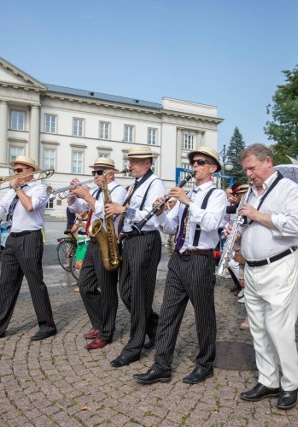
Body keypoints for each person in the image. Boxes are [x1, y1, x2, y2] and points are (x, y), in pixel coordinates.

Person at [133, 146, 226, 385]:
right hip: (178, 258)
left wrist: (188, 201)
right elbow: (170, 228)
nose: (195, 166)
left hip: (200, 259)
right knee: (168, 313)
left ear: (212, 168)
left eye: (201, 163)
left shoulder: (217, 195)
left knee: (204, 315)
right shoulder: (187, 196)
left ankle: (205, 364)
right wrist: (162, 212)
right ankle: (161, 366)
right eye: (193, 162)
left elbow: (211, 223)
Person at [227, 144, 298, 409]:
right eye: (246, 169)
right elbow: (254, 225)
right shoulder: (251, 191)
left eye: (252, 168)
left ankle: (290, 383)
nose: (249, 174)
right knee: (258, 328)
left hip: (279, 266)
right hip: (253, 268)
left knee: (279, 329)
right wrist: (239, 231)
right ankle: (268, 379)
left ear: (268, 161)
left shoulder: (289, 190)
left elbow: (295, 226)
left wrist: (256, 215)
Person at [0, 156, 57, 342]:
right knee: (6, 284)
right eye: (15, 170)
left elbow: (30, 206)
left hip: (30, 237)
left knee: (35, 283)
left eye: (19, 170)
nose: (15, 174)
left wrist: (18, 188)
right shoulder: (12, 191)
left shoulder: (39, 188)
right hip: (12, 238)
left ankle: (47, 326)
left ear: (30, 171)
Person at [105, 146, 167, 367]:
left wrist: (123, 210)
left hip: (146, 240)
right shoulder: (134, 185)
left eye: (135, 161)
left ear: (148, 163)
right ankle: (157, 329)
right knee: (127, 292)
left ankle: (134, 347)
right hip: (131, 240)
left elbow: (153, 220)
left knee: (140, 295)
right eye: (130, 161)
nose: (130, 164)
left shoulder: (155, 183)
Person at [67, 157, 127, 350]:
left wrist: (87, 197)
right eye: (94, 172)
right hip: (93, 241)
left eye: (99, 172)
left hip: (108, 243)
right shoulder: (95, 191)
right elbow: (77, 209)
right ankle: (99, 324)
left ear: (111, 173)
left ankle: (106, 332)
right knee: (85, 285)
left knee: (108, 290)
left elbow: (108, 213)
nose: (95, 175)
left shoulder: (119, 190)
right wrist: (73, 195)